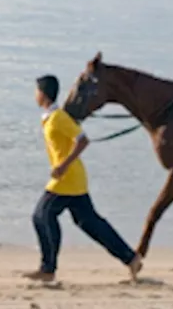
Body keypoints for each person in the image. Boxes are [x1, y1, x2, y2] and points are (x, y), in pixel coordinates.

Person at [24, 75, 143, 283]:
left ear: (42, 94)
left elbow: (83, 140)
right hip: (73, 179)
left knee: (42, 215)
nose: (34, 95)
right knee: (90, 223)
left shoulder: (59, 117)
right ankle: (131, 258)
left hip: (66, 179)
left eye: (36, 92)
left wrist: (63, 165)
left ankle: (48, 268)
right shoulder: (50, 117)